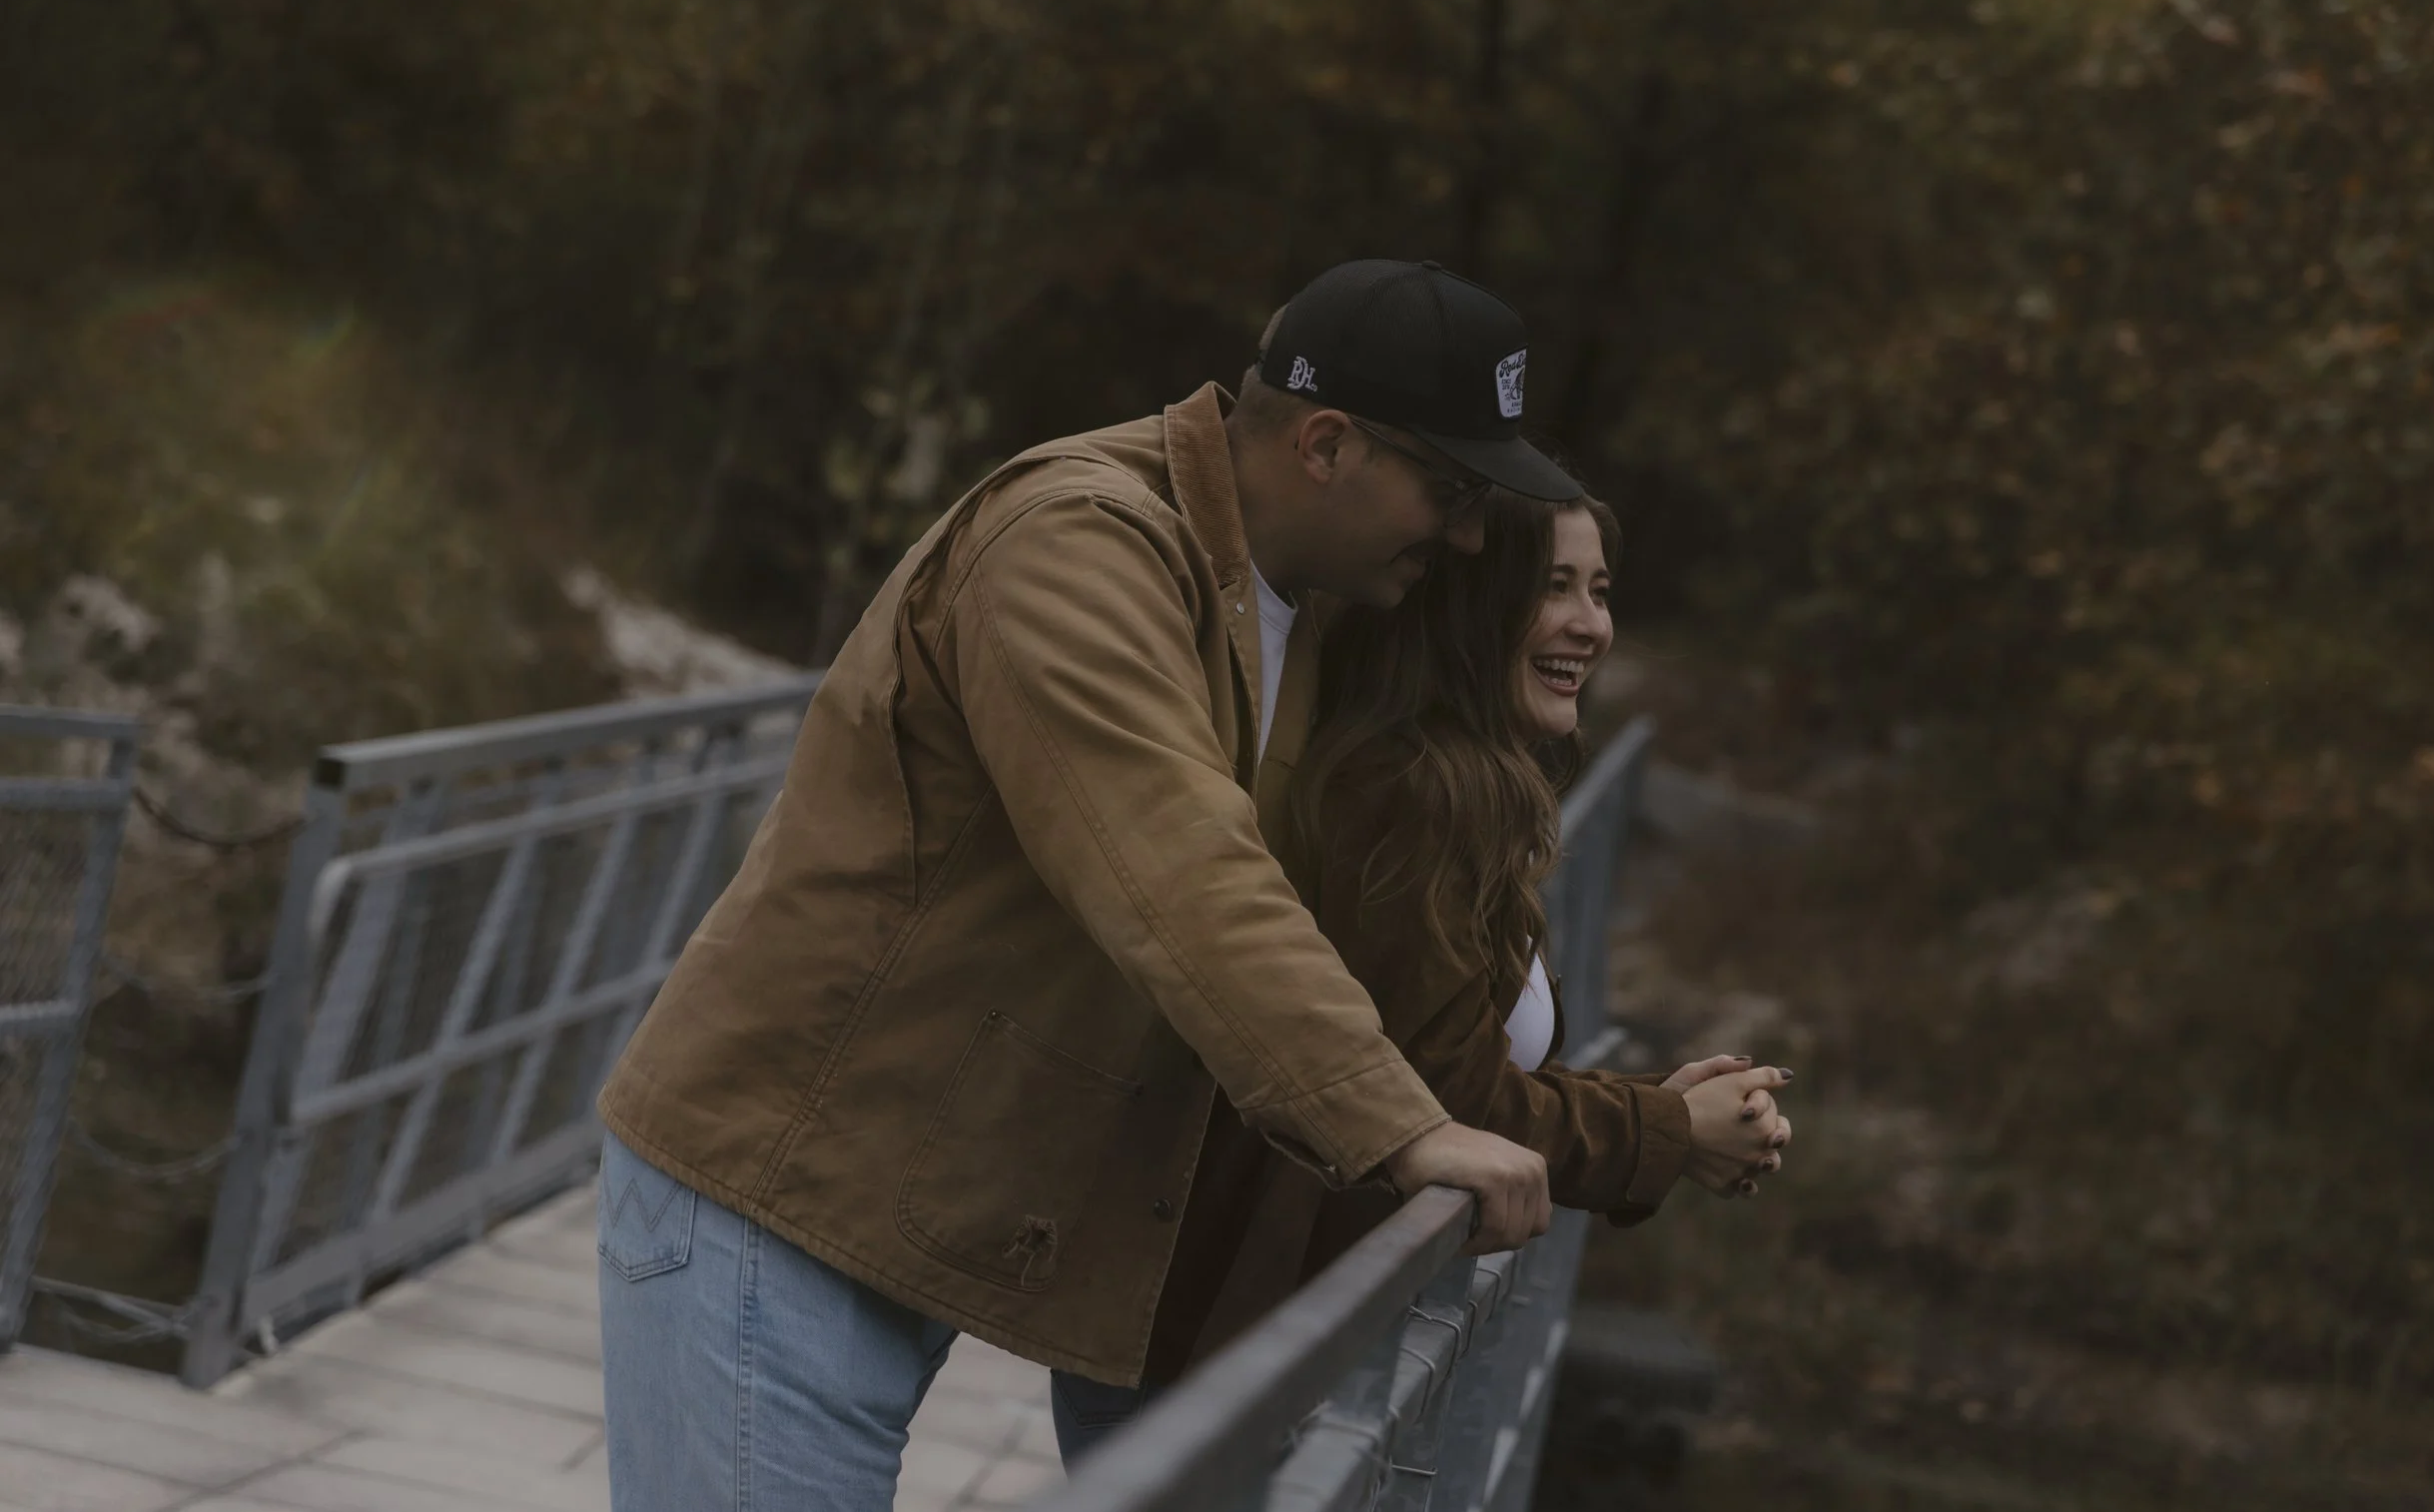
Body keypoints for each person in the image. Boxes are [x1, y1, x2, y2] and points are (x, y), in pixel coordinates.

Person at [594, 260, 1585, 1512]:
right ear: (1327, 443)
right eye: (1446, 490)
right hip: (774, 1191)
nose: (1458, 534)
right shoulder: (1075, 539)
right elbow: (1171, 858)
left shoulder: (1302, 602)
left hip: (940, 1190)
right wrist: (1399, 1121)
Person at [1051, 486, 1795, 1458]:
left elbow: (1442, 1063)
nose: (1590, 622)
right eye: (1552, 585)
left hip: (1291, 1338)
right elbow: (1438, 1100)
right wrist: (1665, 1128)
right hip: (1225, 1338)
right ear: (1468, 606)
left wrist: (1669, 1111)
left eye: (1601, 589)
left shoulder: (1475, 794)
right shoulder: (1406, 797)